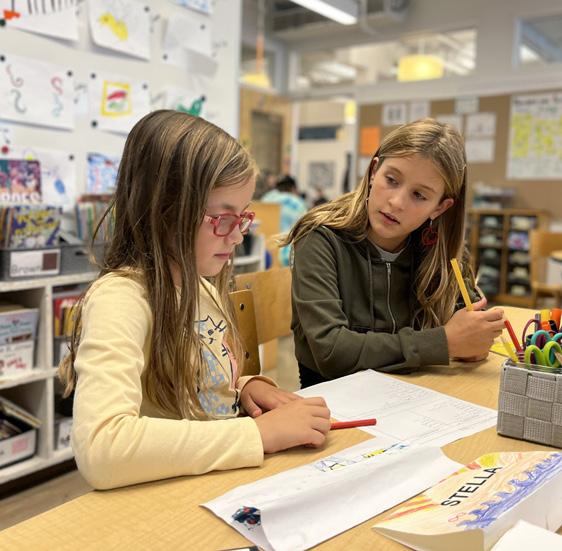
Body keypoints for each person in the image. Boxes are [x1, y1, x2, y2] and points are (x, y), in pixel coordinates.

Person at [58, 110, 330, 489]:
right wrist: (257, 435)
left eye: (242, 218)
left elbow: (197, 379)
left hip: (215, 481)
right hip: (167, 496)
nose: (238, 236)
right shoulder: (121, 299)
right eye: (223, 219)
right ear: (164, 211)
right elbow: (102, 447)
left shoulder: (200, 285)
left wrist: (245, 387)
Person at [284, 118, 505, 388]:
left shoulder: (439, 252)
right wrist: (444, 342)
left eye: (419, 195)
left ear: (440, 208)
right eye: (391, 180)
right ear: (374, 170)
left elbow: (468, 327)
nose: (396, 202)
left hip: (417, 393)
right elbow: (331, 351)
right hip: (333, 398)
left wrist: (475, 337)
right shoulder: (320, 238)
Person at [262, 175, 308, 266]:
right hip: (286, 256)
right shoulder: (297, 203)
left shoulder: (265, 199)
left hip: (265, 252)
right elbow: (304, 229)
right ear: (293, 188)